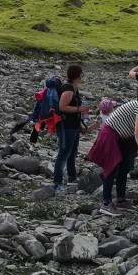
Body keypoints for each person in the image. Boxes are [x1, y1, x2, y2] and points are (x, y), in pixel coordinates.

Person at [87, 91, 138, 215]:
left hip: (123, 137)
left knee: (125, 167)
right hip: (111, 133)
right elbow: (137, 132)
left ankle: (121, 200)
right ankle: (106, 203)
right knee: (111, 167)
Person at [53, 64, 97, 193]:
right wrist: (79, 109)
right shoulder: (68, 89)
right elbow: (62, 107)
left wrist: (80, 123)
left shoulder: (73, 88)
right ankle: (57, 183)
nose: (83, 75)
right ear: (78, 75)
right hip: (66, 126)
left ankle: (72, 177)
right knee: (63, 154)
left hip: (73, 125)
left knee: (72, 152)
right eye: (82, 73)